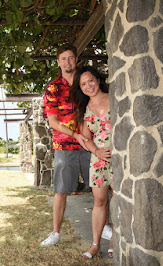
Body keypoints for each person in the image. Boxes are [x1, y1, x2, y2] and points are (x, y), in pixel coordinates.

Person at [40, 44, 91, 247]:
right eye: (64, 59)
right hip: (64, 145)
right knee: (61, 190)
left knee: (101, 188)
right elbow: (53, 121)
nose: (67, 62)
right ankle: (56, 233)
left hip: (90, 142)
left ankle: (106, 227)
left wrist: (84, 136)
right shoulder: (53, 88)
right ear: (58, 62)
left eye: (71, 58)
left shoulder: (86, 82)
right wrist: (75, 135)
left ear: (76, 60)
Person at [69, 66, 113, 259]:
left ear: (98, 79)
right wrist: (96, 151)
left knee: (119, 200)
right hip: (99, 161)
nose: (89, 86)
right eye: (83, 84)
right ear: (80, 88)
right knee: (100, 201)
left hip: (122, 157)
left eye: (91, 81)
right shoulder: (84, 110)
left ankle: (115, 243)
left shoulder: (115, 98)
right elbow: (86, 139)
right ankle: (95, 245)